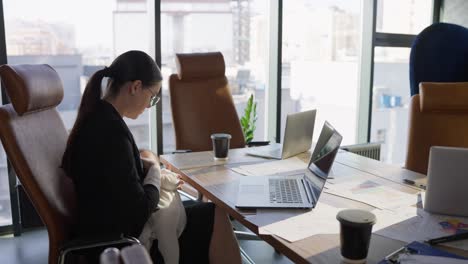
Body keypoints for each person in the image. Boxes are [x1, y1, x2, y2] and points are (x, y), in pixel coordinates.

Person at [61, 50, 241, 263]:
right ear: (136, 87)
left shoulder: (98, 119)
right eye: (152, 96)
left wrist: (143, 164)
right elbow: (139, 212)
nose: (149, 106)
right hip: (126, 244)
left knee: (209, 213)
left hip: (108, 232)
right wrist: (155, 170)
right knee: (215, 216)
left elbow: (116, 177)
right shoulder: (111, 133)